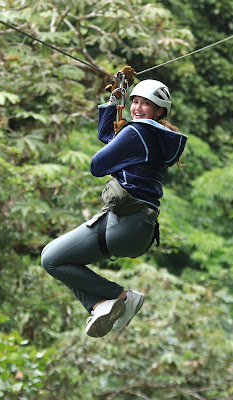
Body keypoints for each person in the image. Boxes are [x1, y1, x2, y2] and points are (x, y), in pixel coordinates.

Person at [41, 78, 187, 338]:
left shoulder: (137, 132)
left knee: (52, 260)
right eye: (136, 102)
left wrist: (119, 152)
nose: (138, 108)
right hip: (137, 230)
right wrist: (113, 103)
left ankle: (121, 296)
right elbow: (110, 138)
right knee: (53, 258)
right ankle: (99, 305)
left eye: (146, 104)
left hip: (125, 223)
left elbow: (97, 165)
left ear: (159, 110)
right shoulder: (154, 135)